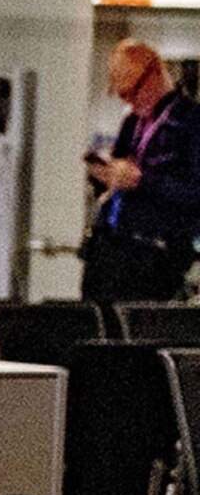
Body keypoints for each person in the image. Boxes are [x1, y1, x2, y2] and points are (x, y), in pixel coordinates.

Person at [82, 38, 200, 305]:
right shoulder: (132, 122)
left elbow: (194, 195)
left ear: (155, 74)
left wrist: (143, 181)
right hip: (110, 245)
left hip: (153, 252)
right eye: (122, 95)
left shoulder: (190, 123)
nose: (129, 102)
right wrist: (106, 177)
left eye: (132, 92)